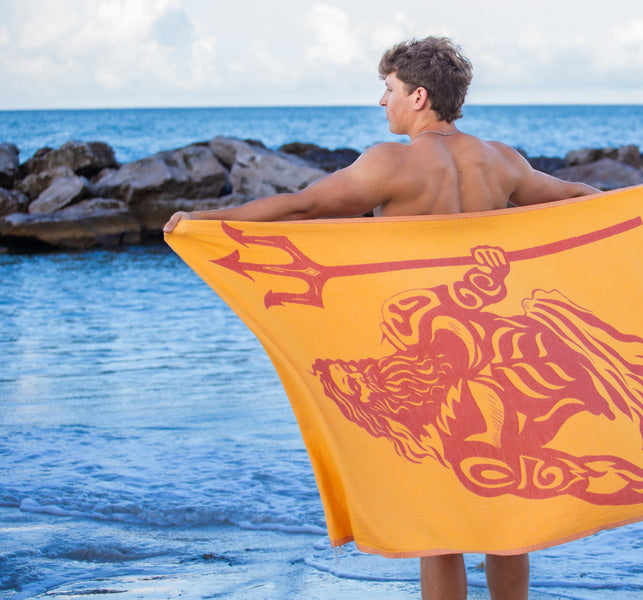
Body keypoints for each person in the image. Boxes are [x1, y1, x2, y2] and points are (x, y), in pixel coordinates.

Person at [164, 36, 601, 600]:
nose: (382, 102)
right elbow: (574, 198)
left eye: (388, 89)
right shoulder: (500, 159)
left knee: (439, 530)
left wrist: (211, 221)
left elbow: (305, 206)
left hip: (426, 367)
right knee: (506, 521)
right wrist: (641, 205)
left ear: (418, 96)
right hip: (492, 362)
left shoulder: (391, 162)